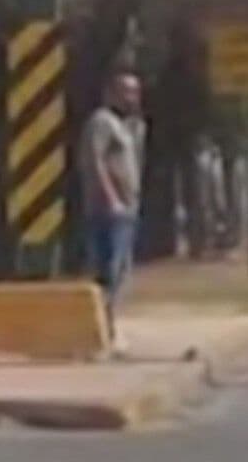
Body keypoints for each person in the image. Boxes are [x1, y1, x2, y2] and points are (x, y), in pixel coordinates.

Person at [82, 70, 143, 314]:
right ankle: (99, 328)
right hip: (107, 210)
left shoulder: (127, 126)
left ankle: (109, 326)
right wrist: (112, 199)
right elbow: (95, 162)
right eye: (126, 92)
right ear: (110, 93)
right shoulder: (102, 121)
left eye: (135, 92)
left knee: (120, 272)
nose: (133, 97)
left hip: (127, 208)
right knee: (106, 272)